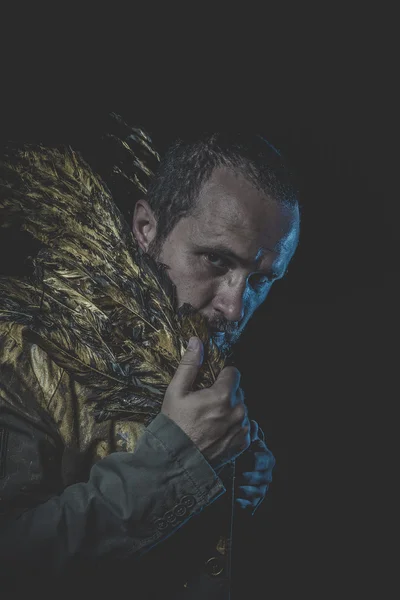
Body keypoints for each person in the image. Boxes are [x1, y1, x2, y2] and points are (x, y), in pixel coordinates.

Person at [0, 121, 300, 597]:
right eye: (217, 260)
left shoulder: (193, 350)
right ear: (146, 229)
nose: (236, 306)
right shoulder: (23, 353)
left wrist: (236, 478)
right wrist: (180, 458)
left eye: (261, 279)